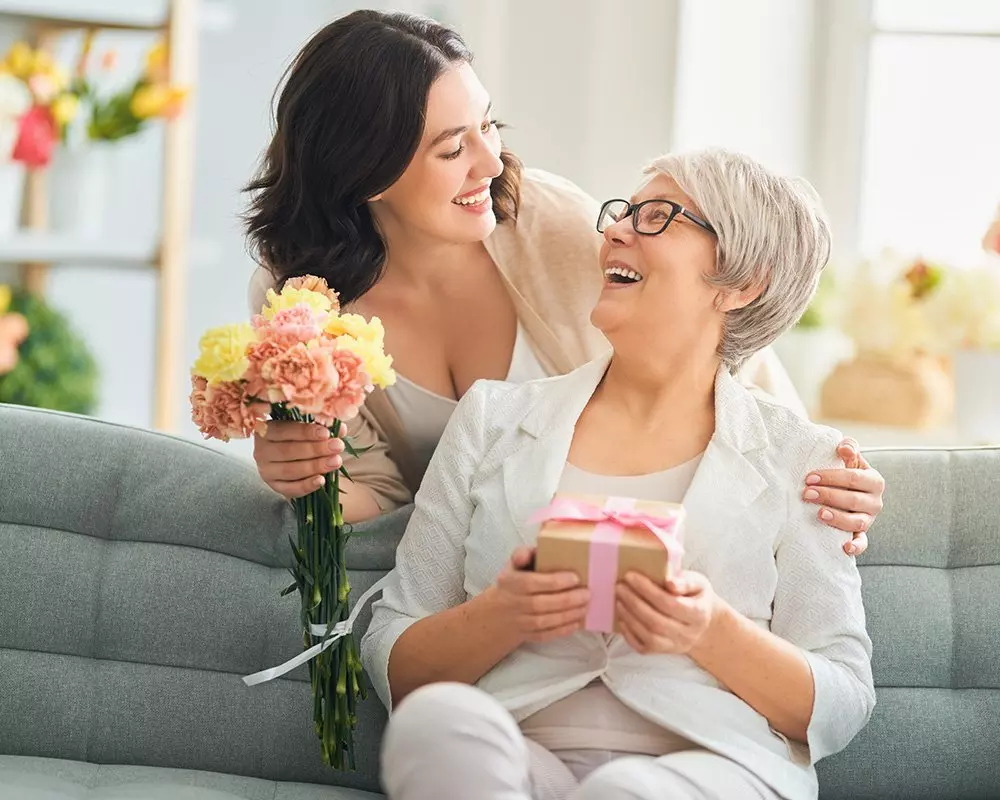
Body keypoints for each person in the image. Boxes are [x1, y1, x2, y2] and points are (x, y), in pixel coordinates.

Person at [244, 9, 884, 548]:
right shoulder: (299, 303)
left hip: (637, 539)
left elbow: (716, 340)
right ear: (366, 173)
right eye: (452, 148)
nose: (491, 162)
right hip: (484, 564)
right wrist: (305, 473)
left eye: (488, 125)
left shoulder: (548, 222)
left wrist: (818, 476)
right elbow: (380, 496)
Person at [361, 148, 875, 800]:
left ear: (742, 284)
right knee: (436, 723)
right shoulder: (492, 418)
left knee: (625, 791)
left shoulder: (805, 457)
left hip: (712, 765)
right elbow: (394, 655)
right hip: (518, 755)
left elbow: (843, 699)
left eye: (659, 217)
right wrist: (503, 614)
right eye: (622, 213)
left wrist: (710, 632)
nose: (614, 231)